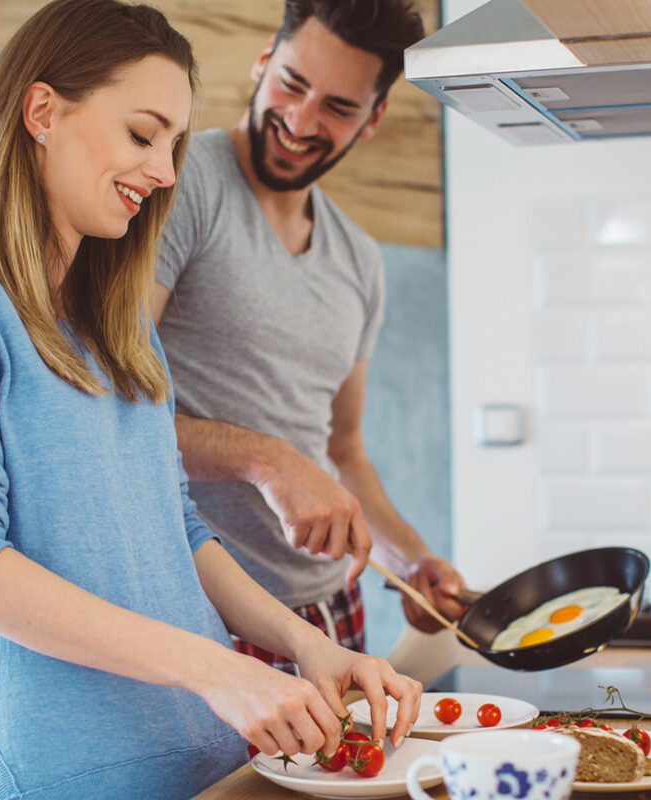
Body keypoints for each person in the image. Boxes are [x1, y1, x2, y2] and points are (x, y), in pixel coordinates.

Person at [0, 2, 420, 798]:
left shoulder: (120, 328)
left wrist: (309, 647)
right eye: (142, 134)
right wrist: (216, 669)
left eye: (173, 144)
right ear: (43, 111)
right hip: (66, 777)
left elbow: (178, 528)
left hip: (209, 761)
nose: (164, 171)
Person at [152, 0, 467, 672]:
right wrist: (264, 458)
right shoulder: (181, 186)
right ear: (265, 59)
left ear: (373, 117)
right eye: (293, 84)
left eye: (337, 107)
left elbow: (342, 450)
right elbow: (105, 410)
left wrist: (410, 560)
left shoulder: (359, 260)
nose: (299, 121)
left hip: (334, 613)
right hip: (205, 612)